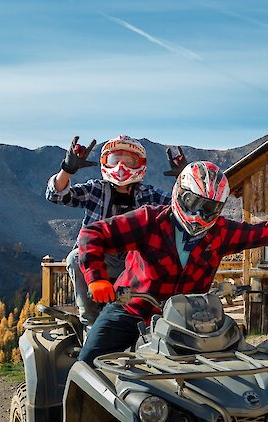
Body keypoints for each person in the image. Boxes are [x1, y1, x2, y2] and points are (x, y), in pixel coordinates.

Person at [77, 161, 268, 365]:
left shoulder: (221, 232)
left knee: (220, 375)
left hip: (188, 319)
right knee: (87, 365)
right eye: (192, 202)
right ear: (178, 193)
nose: (197, 214)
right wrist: (97, 278)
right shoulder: (150, 220)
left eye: (208, 208)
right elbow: (93, 234)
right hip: (132, 309)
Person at [45, 135, 185, 323]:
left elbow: (182, 209)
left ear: (140, 165)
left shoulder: (149, 194)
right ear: (105, 163)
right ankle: (90, 320)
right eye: (115, 160)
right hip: (102, 257)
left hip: (136, 261)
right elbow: (58, 195)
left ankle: (151, 320)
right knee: (76, 257)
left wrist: (183, 178)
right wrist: (67, 170)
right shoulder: (95, 190)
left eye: (129, 161)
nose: (121, 167)